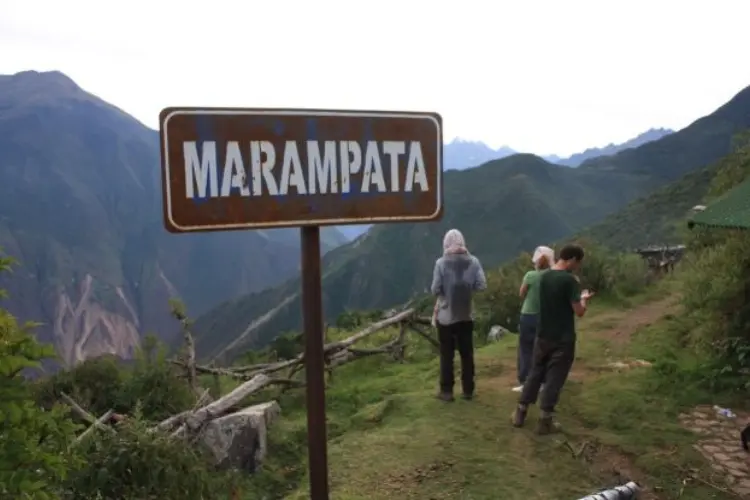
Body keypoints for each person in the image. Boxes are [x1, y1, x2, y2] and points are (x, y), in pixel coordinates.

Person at [511, 243, 594, 434]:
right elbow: (579, 312)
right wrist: (583, 299)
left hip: (543, 334)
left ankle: (520, 413)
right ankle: (544, 421)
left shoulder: (544, 276)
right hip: (562, 337)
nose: (578, 266)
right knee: (554, 378)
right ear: (572, 259)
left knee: (535, 373)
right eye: (578, 262)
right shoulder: (570, 281)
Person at [430, 229, 487, 402]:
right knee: (467, 354)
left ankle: (447, 391)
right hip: (466, 315)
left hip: (446, 317)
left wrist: (447, 292)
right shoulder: (474, 261)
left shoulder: (441, 263)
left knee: (447, 355)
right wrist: (466, 289)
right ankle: (468, 390)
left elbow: (435, 289)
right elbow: (482, 285)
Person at [513, 245, 555, 393]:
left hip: (528, 315)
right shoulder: (552, 276)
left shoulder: (530, 275)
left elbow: (521, 293)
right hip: (545, 316)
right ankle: (543, 381)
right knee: (542, 348)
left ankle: (525, 381)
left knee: (525, 349)